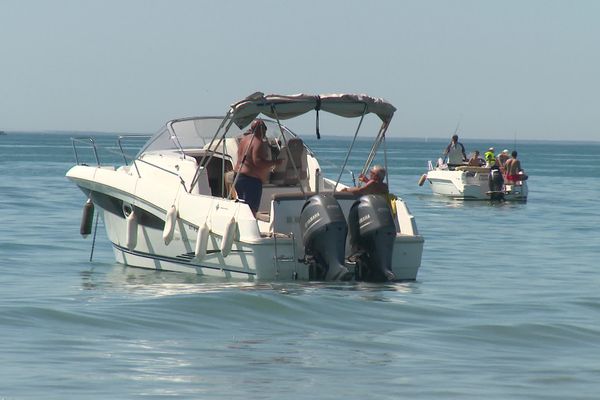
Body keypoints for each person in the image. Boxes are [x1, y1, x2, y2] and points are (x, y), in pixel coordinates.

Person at [234, 119, 283, 215]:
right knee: (251, 210)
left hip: (238, 177)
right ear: (262, 129)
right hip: (250, 180)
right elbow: (258, 162)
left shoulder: (244, 139)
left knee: (243, 207)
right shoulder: (257, 141)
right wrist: (275, 162)